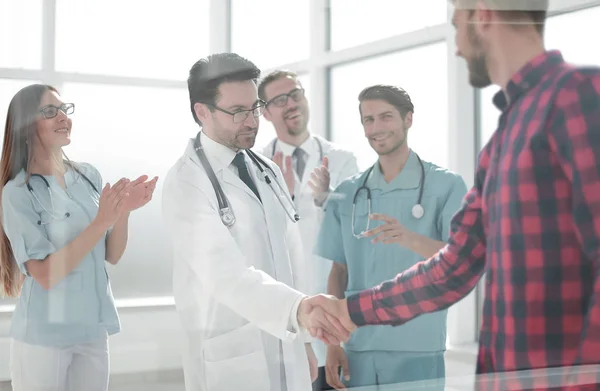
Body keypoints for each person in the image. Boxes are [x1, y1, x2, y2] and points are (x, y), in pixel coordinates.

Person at [308, 0, 600, 390]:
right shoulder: (500, 144)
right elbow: (455, 265)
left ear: (483, 15)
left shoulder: (579, 97)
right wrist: (349, 310)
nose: (458, 47)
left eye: (457, 25)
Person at [161, 53, 350, 391]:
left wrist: (304, 339)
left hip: (287, 341)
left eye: (255, 107)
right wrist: (298, 311)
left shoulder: (268, 169)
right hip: (231, 356)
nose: (252, 120)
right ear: (201, 111)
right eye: (237, 111)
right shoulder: (186, 183)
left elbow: (291, 256)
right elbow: (224, 274)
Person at [0, 84, 158, 391]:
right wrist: (99, 223)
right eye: (49, 111)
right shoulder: (17, 192)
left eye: (64, 108)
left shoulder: (88, 176)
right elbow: (44, 274)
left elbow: (110, 254)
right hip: (45, 334)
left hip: (92, 329)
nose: (63, 116)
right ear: (25, 125)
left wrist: (123, 212)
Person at [313, 84, 467, 390]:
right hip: (357, 344)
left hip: (418, 343)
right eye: (368, 120)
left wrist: (409, 238)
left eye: (386, 117)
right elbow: (338, 272)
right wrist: (332, 345)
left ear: (408, 119)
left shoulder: (446, 185)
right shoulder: (347, 193)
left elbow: (461, 260)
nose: (376, 128)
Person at [257, 69, 359, 390]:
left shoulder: (342, 160)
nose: (291, 104)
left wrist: (325, 200)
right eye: (280, 99)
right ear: (265, 111)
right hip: (281, 315)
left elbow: (354, 235)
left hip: (332, 312)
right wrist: (283, 203)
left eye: (296, 94)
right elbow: (255, 245)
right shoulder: (256, 165)